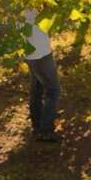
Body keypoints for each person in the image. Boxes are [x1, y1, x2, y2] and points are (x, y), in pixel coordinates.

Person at [23, 10, 62, 142]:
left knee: (36, 90)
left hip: (29, 53)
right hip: (41, 54)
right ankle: (46, 131)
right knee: (53, 91)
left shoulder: (15, 3)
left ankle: (37, 127)